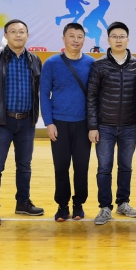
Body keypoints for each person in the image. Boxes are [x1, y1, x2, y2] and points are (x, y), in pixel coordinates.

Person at [0, 19, 43, 226]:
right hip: (2, 123)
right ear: (5, 35)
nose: (18, 35)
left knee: (24, 166)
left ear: (27, 35)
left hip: (26, 122)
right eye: (13, 31)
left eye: (22, 31)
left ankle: (22, 203)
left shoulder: (35, 60)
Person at [86, 21, 136, 225]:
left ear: (128, 39)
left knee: (126, 166)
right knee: (104, 168)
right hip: (105, 127)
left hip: (129, 126)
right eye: (114, 36)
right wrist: (93, 126)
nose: (118, 40)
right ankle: (104, 207)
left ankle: (123, 203)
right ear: (108, 40)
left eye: (122, 36)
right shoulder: (99, 65)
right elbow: (91, 96)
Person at [40, 23, 94, 222]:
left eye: (80, 36)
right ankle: (62, 206)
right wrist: (49, 122)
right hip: (59, 123)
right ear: (64, 38)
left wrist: (93, 125)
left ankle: (79, 204)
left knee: (81, 167)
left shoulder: (91, 63)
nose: (76, 40)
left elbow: (94, 96)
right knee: (61, 167)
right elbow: (44, 94)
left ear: (84, 40)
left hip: (83, 124)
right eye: (72, 36)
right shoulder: (51, 63)